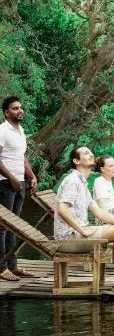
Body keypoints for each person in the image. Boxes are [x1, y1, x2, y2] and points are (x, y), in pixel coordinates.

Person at [54, 147, 114, 293]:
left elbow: (98, 212)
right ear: (76, 161)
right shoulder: (72, 181)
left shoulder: (82, 183)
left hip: (78, 235)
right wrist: (81, 229)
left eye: (91, 152)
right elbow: (62, 209)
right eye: (86, 152)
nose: (91, 154)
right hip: (68, 239)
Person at [0, 96, 38, 281]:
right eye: (15, 108)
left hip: (19, 182)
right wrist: (11, 178)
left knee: (14, 227)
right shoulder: (2, 130)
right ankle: (1, 268)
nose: (19, 110)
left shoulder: (21, 130)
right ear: (7, 112)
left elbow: (22, 158)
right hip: (5, 183)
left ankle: (12, 265)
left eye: (20, 107)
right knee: (2, 227)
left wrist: (31, 176)